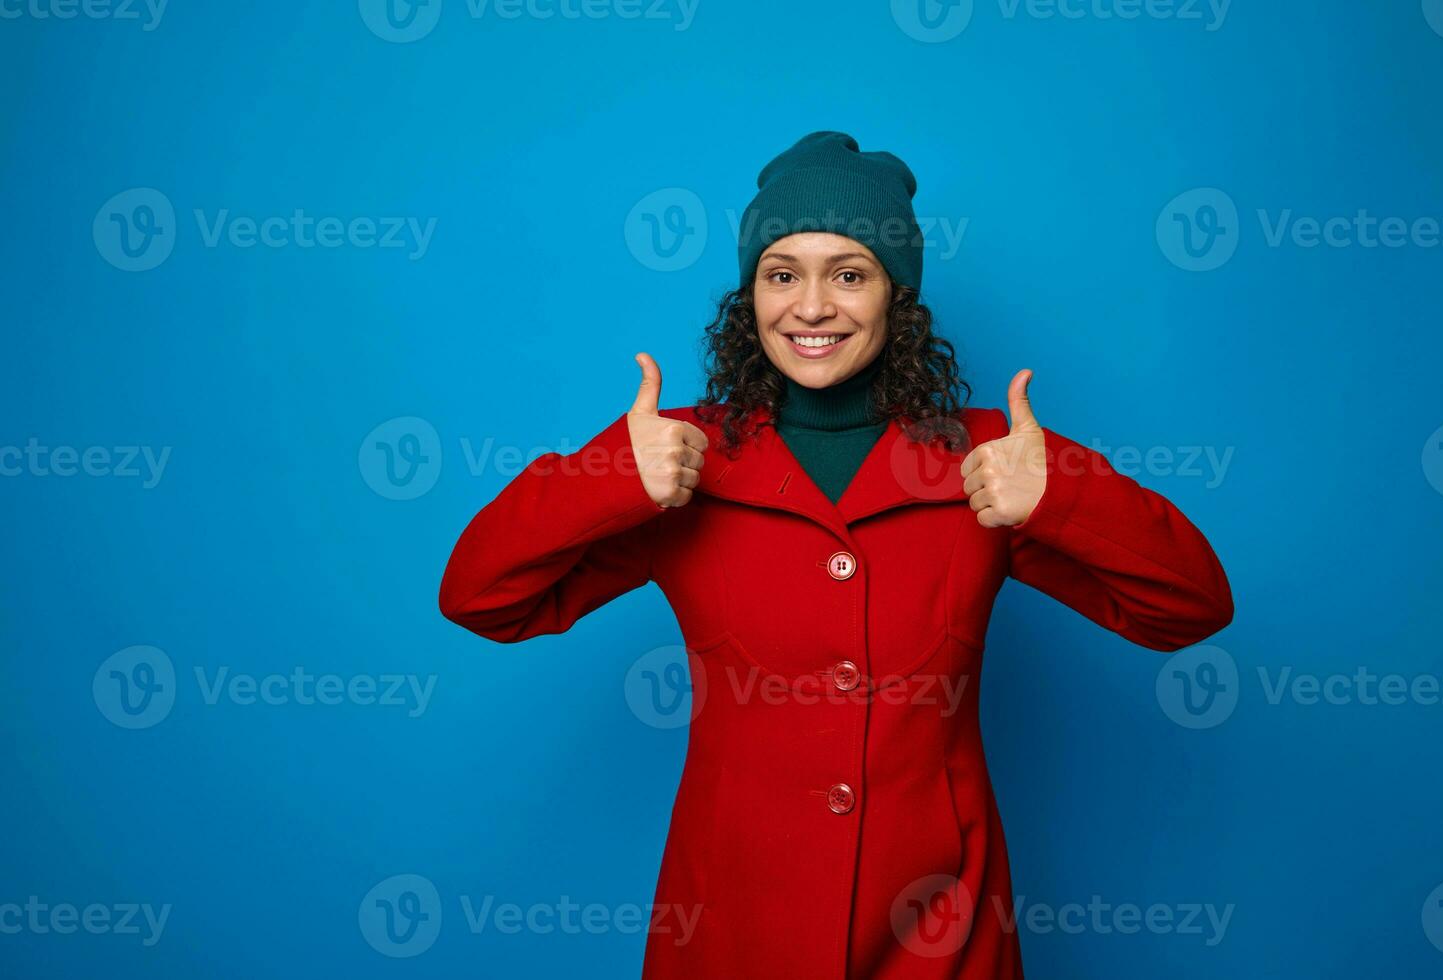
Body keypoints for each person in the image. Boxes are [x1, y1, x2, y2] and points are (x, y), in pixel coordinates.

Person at [439, 130, 1233, 979]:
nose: (811, 307)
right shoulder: (680, 457)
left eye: (848, 274)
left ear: (899, 296)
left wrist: (1064, 495)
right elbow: (482, 598)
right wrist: (600, 481)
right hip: (734, 925)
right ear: (750, 296)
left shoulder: (988, 460)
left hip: (939, 929)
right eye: (782, 274)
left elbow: (1187, 608)